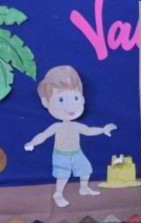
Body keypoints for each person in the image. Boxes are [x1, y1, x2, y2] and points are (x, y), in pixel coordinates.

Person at [24, 65, 117, 208]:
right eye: (61, 99)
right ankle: (58, 193)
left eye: (75, 97)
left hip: (77, 153)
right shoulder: (57, 126)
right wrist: (32, 143)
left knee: (86, 169)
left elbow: (89, 130)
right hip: (61, 155)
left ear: (83, 99)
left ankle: (84, 188)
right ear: (46, 102)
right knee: (63, 175)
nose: (70, 106)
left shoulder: (75, 126)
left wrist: (103, 130)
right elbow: (43, 135)